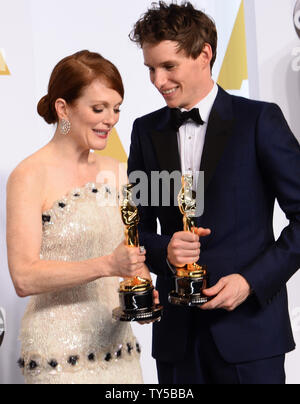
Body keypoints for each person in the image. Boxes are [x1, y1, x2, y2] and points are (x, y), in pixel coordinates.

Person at [128, 1, 300, 384]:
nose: (158, 80)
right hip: (177, 342)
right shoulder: (146, 131)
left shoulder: (259, 120)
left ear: (203, 55)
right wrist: (165, 251)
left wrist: (250, 282)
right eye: (150, 69)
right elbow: (135, 226)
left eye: (168, 66)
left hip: (251, 336)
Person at [6, 50, 152, 384]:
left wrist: (142, 288)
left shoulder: (119, 172)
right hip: (58, 355)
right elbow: (24, 278)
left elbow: (127, 252)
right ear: (63, 108)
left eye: (116, 109)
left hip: (119, 349)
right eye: (98, 108)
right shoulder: (29, 175)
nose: (110, 119)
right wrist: (107, 266)